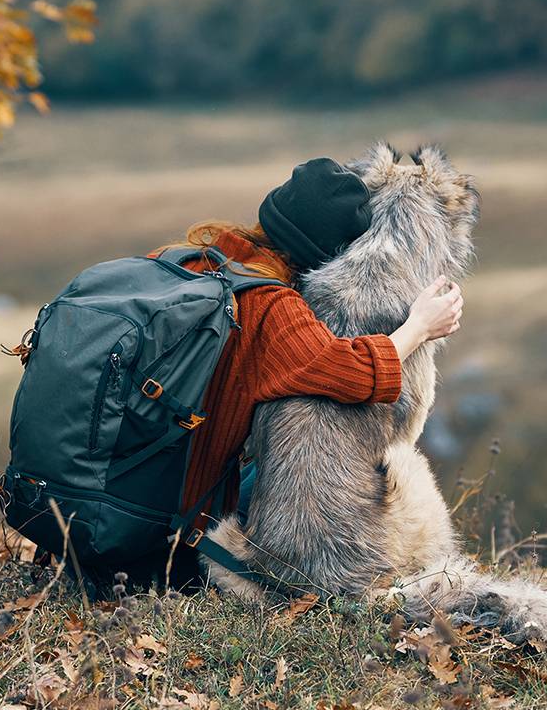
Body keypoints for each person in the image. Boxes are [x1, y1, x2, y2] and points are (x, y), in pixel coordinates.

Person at [135, 157, 464, 589]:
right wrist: (418, 327)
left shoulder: (187, 259)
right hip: (162, 521)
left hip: (123, 478)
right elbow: (353, 373)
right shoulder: (272, 308)